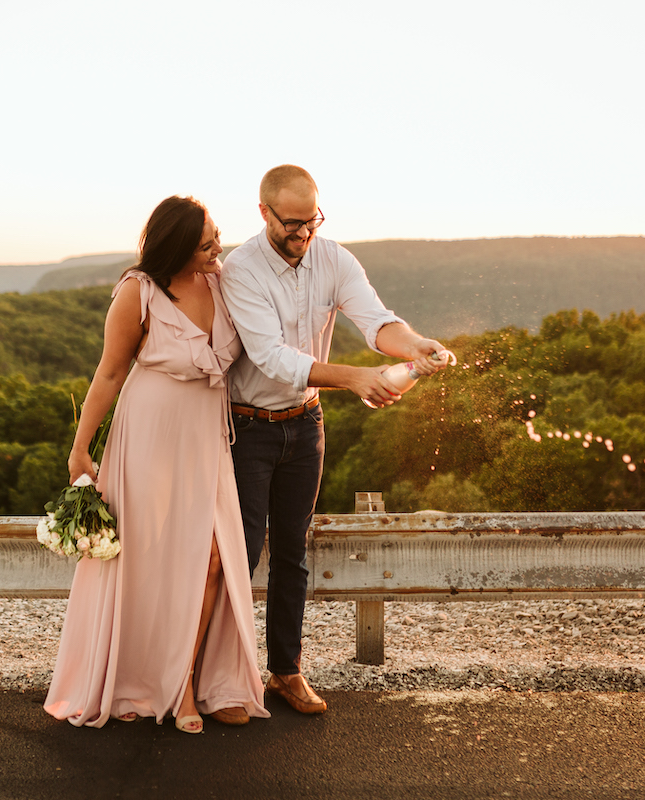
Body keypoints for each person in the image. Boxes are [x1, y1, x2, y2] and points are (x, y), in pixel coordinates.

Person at [220, 165, 449, 715]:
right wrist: (354, 378)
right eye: (292, 223)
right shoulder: (240, 270)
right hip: (247, 427)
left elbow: (376, 321)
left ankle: (286, 673)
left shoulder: (334, 258)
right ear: (264, 213)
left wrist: (416, 346)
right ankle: (227, 682)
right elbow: (271, 358)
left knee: (294, 552)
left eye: (312, 221)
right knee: (242, 553)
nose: (304, 234)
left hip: (306, 425)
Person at [44, 196, 269, 733]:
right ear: (176, 246)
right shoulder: (136, 292)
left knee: (211, 558)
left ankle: (189, 681)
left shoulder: (223, 282)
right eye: (207, 240)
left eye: (217, 234)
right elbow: (108, 374)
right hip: (147, 436)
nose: (219, 246)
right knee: (148, 562)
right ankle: (155, 685)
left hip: (205, 439)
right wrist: (81, 449)